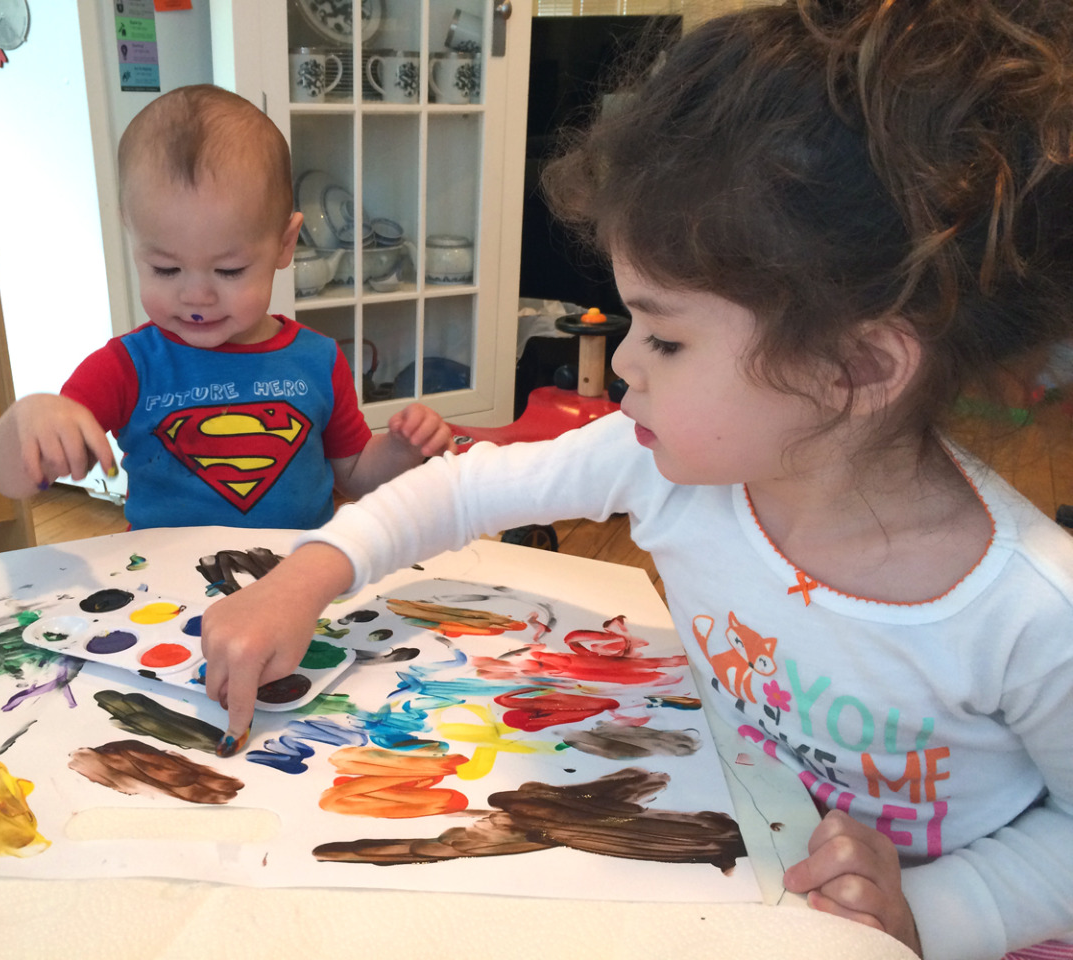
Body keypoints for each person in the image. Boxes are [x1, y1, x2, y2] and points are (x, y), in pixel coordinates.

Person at [197, 2, 1073, 957]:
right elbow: (460, 489)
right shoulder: (667, 463)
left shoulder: (1033, 613)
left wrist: (929, 915)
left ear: (855, 369)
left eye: (665, 337)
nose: (621, 366)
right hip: (732, 861)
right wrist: (305, 576)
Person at [0, 85, 450, 530]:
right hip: (165, 578)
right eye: (166, 269)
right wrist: (31, 420)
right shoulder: (126, 368)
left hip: (296, 572)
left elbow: (355, 478)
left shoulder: (319, 361)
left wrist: (402, 450)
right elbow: (12, 482)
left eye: (229, 271)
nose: (197, 297)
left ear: (285, 244)